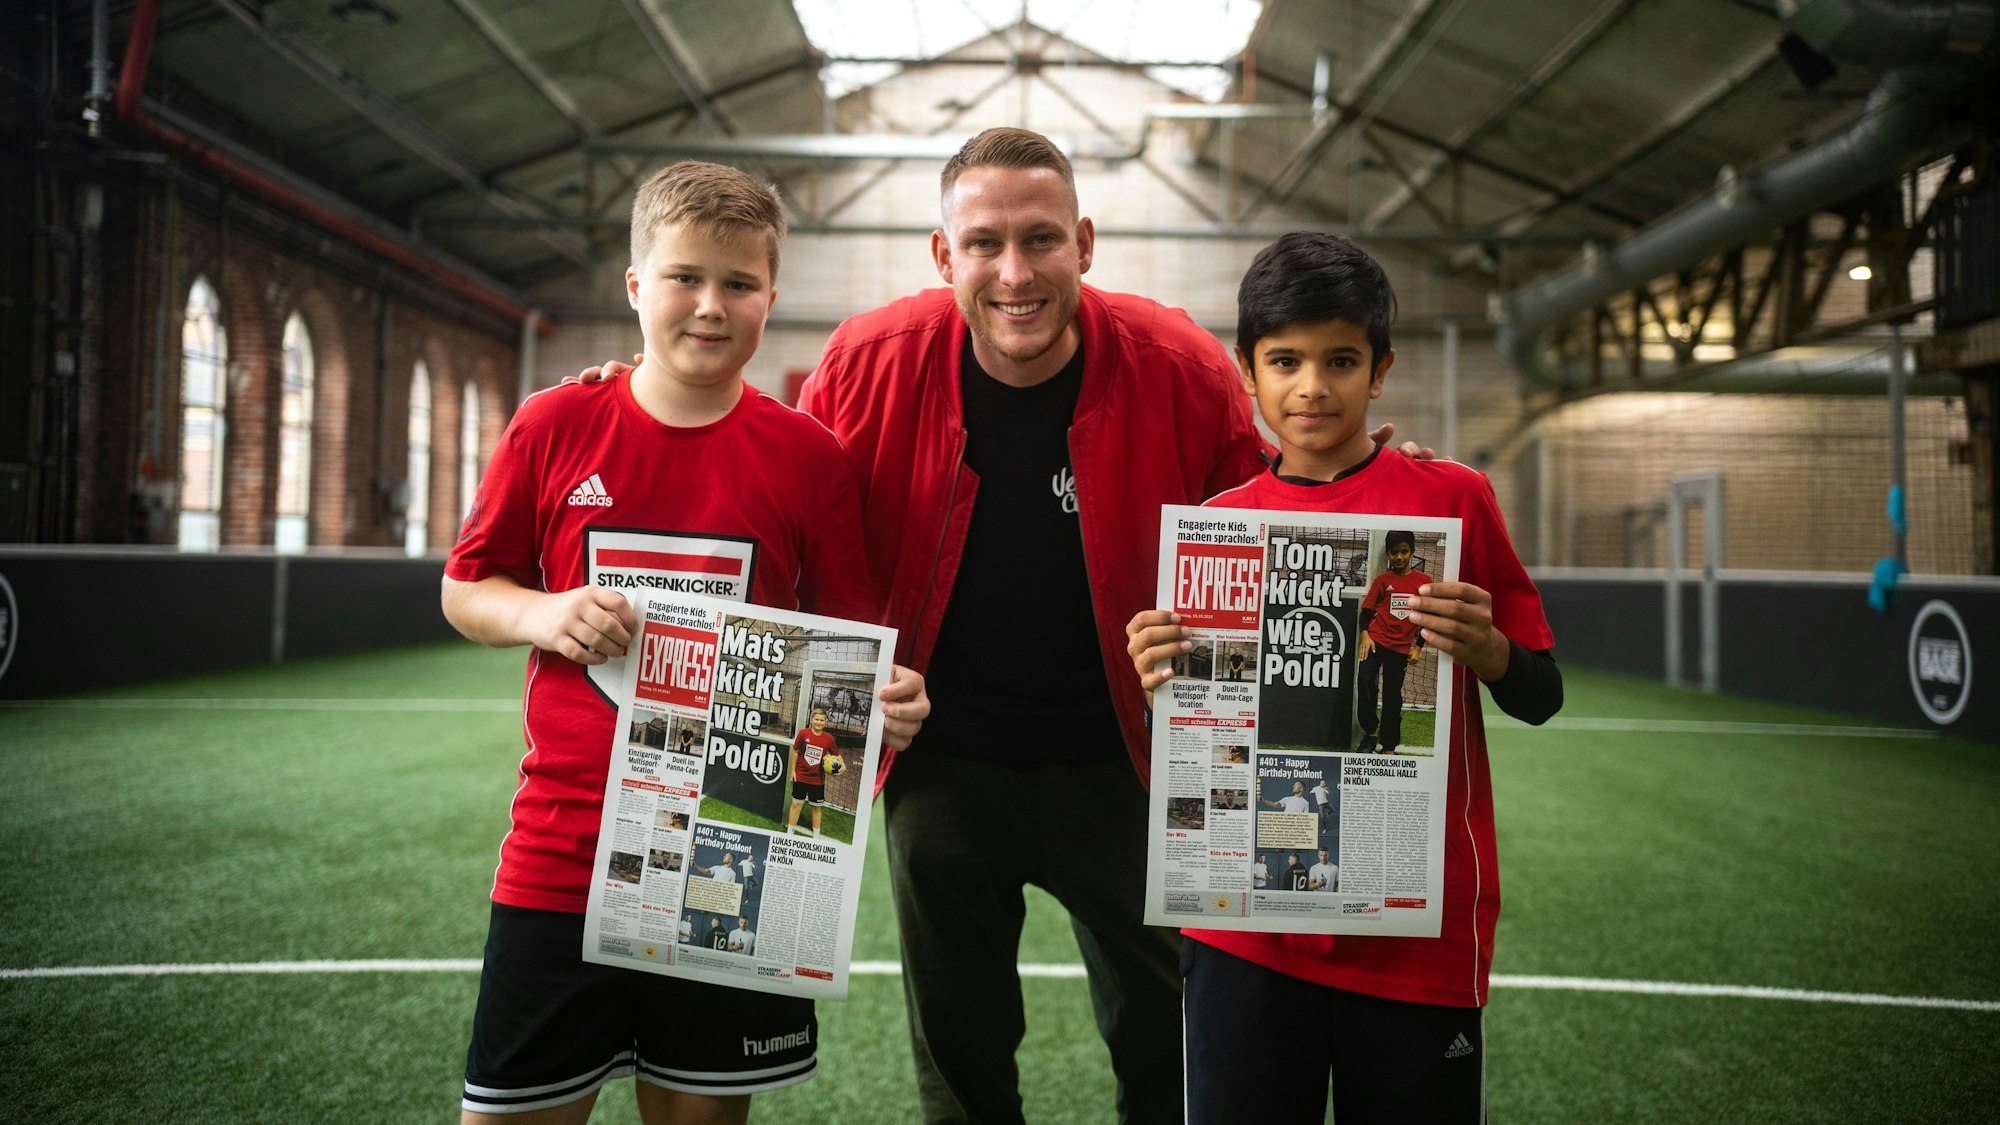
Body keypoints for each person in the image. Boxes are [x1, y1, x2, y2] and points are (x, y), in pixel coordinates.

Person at [584, 127, 1426, 1124]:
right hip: (941, 767)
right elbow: (775, 477)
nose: (1013, 272)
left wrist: (1368, 484)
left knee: (1168, 1046)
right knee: (961, 1054)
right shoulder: (866, 360)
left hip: (1130, 767)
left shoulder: (1176, 366)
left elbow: (1272, 499)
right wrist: (638, 402)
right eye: (983, 245)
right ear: (945, 258)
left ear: (1084, 242)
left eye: (1039, 241)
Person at [441, 160, 929, 1124]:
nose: (711, 306)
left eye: (739, 285)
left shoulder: (808, 455)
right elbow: (466, 586)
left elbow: (855, 643)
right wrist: (544, 613)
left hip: (738, 853)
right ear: (635, 286)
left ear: (770, 298)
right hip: (562, 849)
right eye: (684, 278)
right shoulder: (554, 423)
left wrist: (887, 701)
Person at [1127, 231, 1563, 1124]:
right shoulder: (1218, 527)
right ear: (1246, 371)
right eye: (1284, 360)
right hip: (1243, 930)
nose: (1312, 386)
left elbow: (1541, 693)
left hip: (1416, 938)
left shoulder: (1452, 500)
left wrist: (1487, 650)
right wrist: (1161, 672)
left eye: (1340, 359)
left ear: (1381, 369)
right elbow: (1188, 730)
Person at [1356, 530, 1428, 754]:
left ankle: (1389, 746)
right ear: (1388, 553)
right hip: (1376, 641)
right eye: (1394, 552)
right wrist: (1365, 636)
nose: (1399, 557)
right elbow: (1365, 613)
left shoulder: (1423, 583)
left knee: (1392, 695)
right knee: (1365, 679)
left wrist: (1418, 647)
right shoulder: (1382, 581)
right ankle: (1370, 732)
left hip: (1401, 648)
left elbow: (1427, 619)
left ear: (1412, 552)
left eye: (1404, 552)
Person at [786, 707, 838, 837]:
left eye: (822, 720)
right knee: (796, 804)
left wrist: (842, 767)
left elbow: (837, 755)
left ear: (825, 722)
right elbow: (796, 752)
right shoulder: (803, 733)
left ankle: (816, 836)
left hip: (817, 779)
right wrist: (793, 771)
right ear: (811, 720)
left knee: (816, 807)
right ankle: (789, 832)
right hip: (801, 776)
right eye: (816, 719)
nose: (819, 722)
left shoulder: (829, 739)